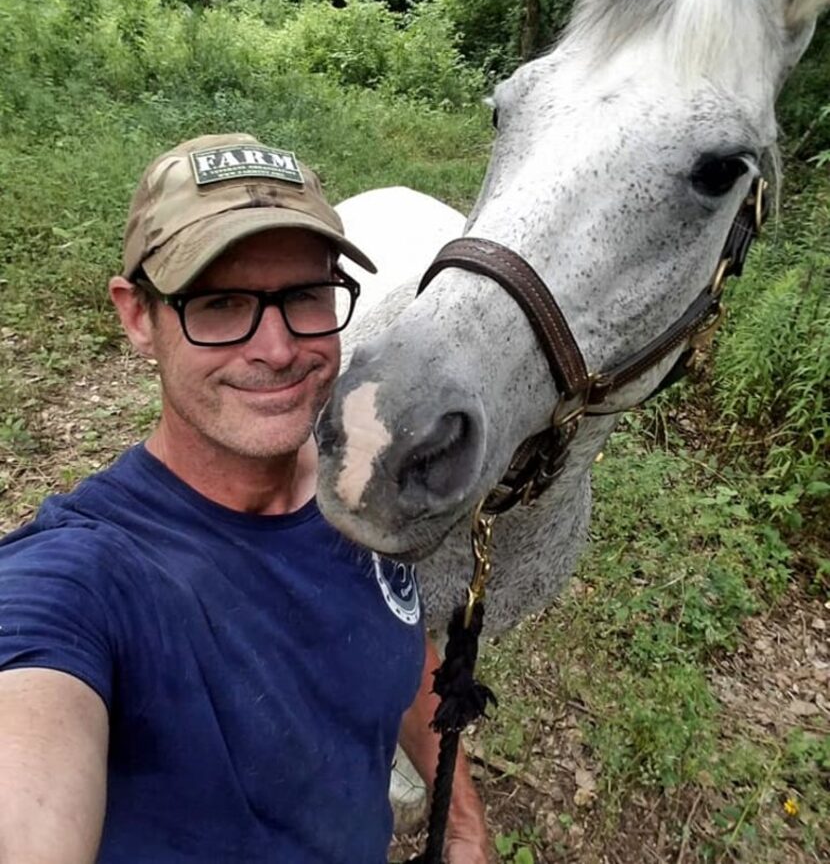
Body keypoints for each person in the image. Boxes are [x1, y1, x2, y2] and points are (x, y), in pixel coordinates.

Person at [0, 133, 490, 864]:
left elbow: (399, 633)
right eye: (222, 303)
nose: (278, 348)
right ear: (138, 315)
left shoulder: (354, 490)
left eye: (302, 295)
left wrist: (461, 823)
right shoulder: (80, 578)